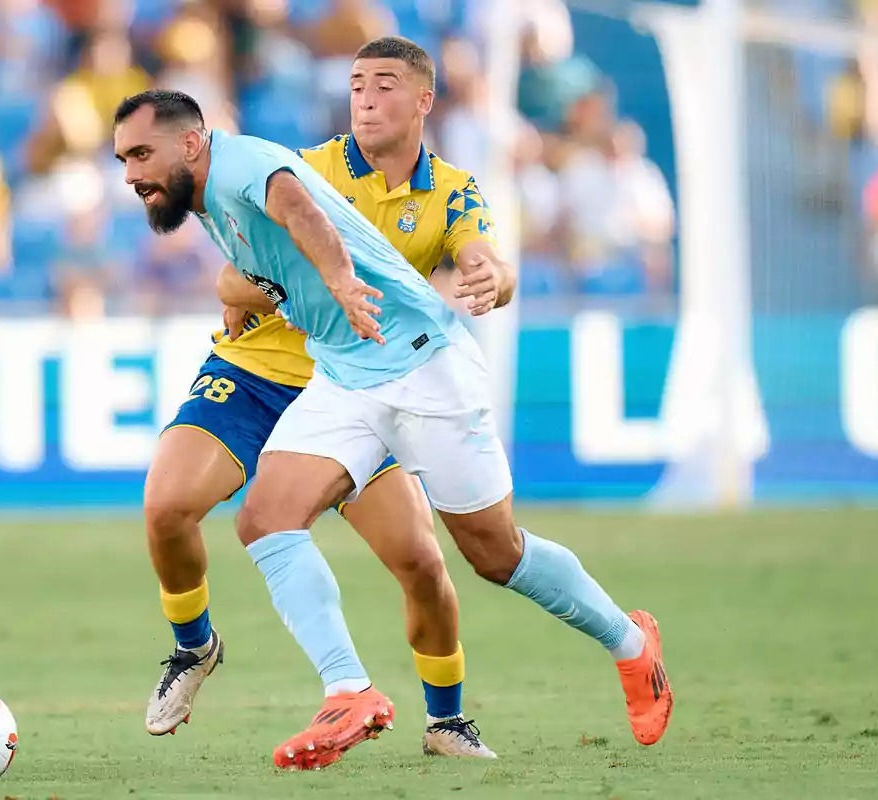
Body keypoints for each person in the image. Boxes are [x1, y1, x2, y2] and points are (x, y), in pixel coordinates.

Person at [113, 77, 671, 771]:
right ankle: (348, 690)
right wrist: (265, 294)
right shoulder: (237, 187)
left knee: (493, 554)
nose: (132, 174)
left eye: (141, 155)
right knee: (263, 518)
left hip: (421, 366)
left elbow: (297, 207)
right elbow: (262, 257)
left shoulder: (246, 162)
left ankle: (629, 643)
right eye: (124, 161)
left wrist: (346, 279)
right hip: (343, 373)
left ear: (191, 143)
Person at [132, 41, 504, 761]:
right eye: (356, 85)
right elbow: (233, 278)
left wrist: (493, 276)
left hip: (358, 386)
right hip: (257, 370)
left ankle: (447, 721)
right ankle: (193, 647)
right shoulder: (299, 168)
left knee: (421, 562)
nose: (365, 101)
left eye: (382, 87)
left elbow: (482, 253)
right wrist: (272, 283)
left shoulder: (452, 190)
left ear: (422, 102)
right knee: (166, 505)